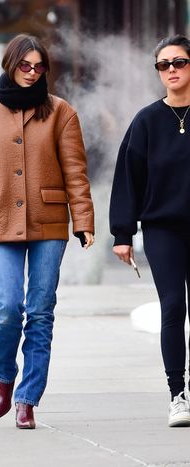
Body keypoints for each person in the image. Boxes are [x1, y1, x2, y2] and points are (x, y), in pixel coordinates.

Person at [0, 34, 94, 429]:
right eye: (25, 66)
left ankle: (27, 399)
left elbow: (75, 172)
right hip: (1, 221)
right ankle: (3, 374)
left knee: (41, 311)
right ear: (10, 65)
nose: (32, 74)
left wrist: (83, 221)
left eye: (39, 67)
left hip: (50, 221)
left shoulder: (62, 112)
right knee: (7, 309)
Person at [110, 34, 190, 427]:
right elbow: (128, 178)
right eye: (164, 65)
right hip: (163, 229)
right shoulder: (146, 120)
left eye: (179, 62)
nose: (172, 70)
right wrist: (122, 234)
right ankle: (178, 394)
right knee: (173, 307)